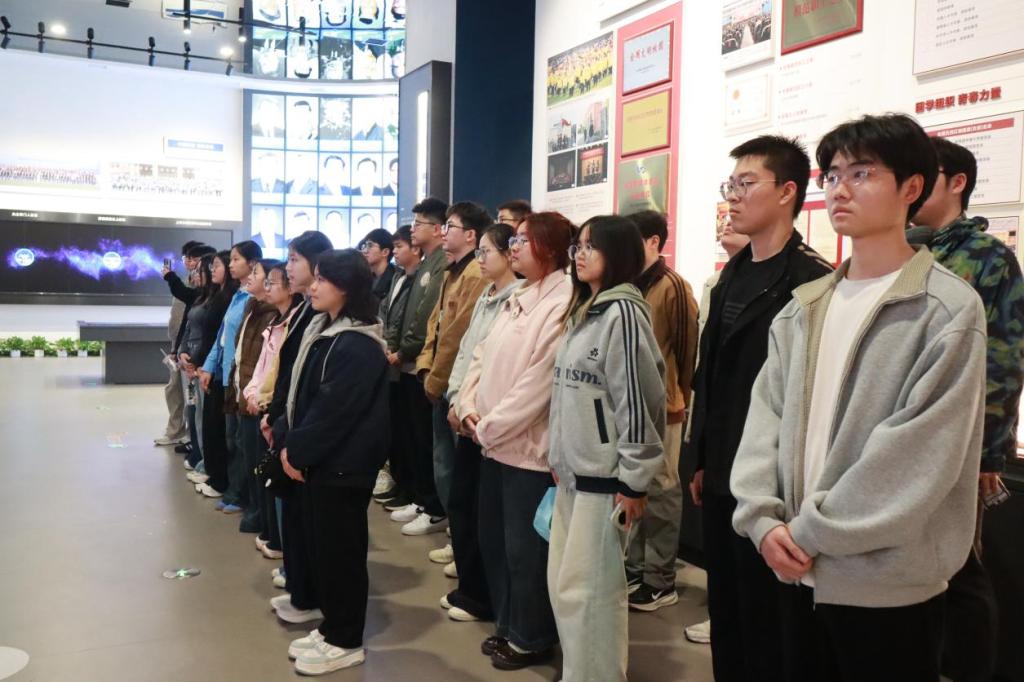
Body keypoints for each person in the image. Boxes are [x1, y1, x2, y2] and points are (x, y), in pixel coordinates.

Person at [732, 113, 988, 682]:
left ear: (911, 187)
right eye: (832, 175)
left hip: (887, 585)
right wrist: (762, 520)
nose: (839, 189)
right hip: (794, 570)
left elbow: (917, 454)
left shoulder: (945, 309)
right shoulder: (804, 306)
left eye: (862, 173)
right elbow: (764, 420)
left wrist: (806, 533)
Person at [686, 135, 832, 682]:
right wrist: (701, 457)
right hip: (722, 471)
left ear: (787, 191)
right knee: (726, 611)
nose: (733, 196)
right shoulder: (731, 274)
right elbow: (710, 376)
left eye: (746, 184)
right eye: (731, 184)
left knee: (772, 621)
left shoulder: (811, 281)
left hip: (775, 486)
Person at [910, 135, 1024, 682]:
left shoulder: (988, 259)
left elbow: (1003, 361)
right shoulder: (905, 250)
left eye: (923, 175)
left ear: (957, 183)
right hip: (903, 438)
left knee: (959, 568)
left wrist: (988, 451)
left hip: (959, 443)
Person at [547, 215, 666, 682]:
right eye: (577, 246)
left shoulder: (623, 314)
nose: (579, 255)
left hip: (605, 481)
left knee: (592, 596)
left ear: (617, 253)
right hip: (573, 476)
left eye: (590, 247)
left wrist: (634, 481)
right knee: (567, 590)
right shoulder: (586, 310)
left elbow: (638, 401)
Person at [456, 212, 574, 670]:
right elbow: (481, 355)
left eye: (525, 240)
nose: (515, 247)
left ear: (551, 248)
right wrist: (467, 403)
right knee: (495, 542)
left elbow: (537, 384)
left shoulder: (561, 301)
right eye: (515, 240)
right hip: (491, 442)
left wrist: (488, 425)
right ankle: (508, 625)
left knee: (525, 551)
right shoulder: (519, 295)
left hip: (526, 450)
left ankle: (531, 636)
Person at [274, 250, 390, 676]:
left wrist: (296, 451)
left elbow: (333, 413)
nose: (314, 286)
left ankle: (346, 639)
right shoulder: (326, 330)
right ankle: (332, 627)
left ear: (347, 287)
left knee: (342, 554)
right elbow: (307, 399)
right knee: (326, 550)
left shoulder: (357, 344)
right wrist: (289, 442)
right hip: (323, 464)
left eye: (323, 279)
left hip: (344, 467)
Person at [440, 222, 522, 622]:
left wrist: (472, 409)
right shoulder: (486, 296)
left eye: (487, 251)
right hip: (466, 411)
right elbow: (466, 353)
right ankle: (469, 586)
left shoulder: (516, 299)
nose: (481, 259)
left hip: (487, 422)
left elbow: (500, 367)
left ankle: (480, 595)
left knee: (480, 512)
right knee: (461, 505)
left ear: (509, 255)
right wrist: (456, 398)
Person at [624, 211, 698, 611]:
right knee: (636, 487)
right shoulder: (629, 284)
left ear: (654, 241)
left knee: (663, 490)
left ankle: (659, 579)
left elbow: (687, 350)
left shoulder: (673, 287)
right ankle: (635, 568)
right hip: (632, 407)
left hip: (665, 406)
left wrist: (677, 397)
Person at [262, 230, 334, 623]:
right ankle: (299, 583)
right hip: (288, 420)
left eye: (294, 260)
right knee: (294, 514)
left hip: (304, 430)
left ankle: (308, 592)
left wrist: (286, 424)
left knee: (309, 521)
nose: (288, 268)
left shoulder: (326, 319)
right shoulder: (306, 309)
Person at [683, 221, 748, 647]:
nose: (728, 219)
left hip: (749, 428)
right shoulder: (716, 282)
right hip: (716, 423)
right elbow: (703, 357)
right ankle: (722, 614)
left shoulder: (802, 277)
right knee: (719, 530)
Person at [413, 201, 491, 539]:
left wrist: (437, 377)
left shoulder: (475, 274)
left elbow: (458, 335)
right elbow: (436, 323)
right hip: (439, 378)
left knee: (456, 469)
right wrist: (425, 366)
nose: (444, 233)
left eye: (451, 227)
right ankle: (455, 533)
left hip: (456, 383)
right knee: (442, 463)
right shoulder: (452, 270)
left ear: (471, 235)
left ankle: (460, 537)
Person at [387, 198, 449, 534]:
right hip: (410, 362)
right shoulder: (426, 264)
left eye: (419, 223)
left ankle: (434, 507)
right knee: (414, 439)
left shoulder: (440, 264)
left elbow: (427, 315)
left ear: (437, 229)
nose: (413, 230)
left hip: (421, 363)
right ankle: (422, 498)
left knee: (426, 441)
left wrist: (405, 349)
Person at [245, 261, 304, 559]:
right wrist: (252, 392)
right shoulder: (275, 319)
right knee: (264, 471)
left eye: (272, 281)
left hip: (275, 409)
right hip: (262, 403)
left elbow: (281, 374)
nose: (266, 286)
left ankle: (280, 541)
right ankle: (270, 530)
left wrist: (266, 402)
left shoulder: (297, 321)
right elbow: (261, 366)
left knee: (279, 478)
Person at [198, 241, 263, 510]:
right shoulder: (238, 296)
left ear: (252, 263)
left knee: (240, 441)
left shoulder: (256, 300)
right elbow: (221, 337)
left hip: (242, 379)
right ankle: (233, 491)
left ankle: (238, 494)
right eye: (231, 259)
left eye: (236, 259)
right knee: (231, 438)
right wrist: (208, 366)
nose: (231, 264)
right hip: (227, 375)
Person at [231, 259, 280, 532]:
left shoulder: (275, 315)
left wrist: (257, 394)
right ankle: (254, 508)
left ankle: (263, 516)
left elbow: (270, 366)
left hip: (259, 399)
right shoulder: (252, 306)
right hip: (245, 391)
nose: (250, 277)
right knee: (246, 452)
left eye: (256, 272)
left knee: (258, 459)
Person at [375, 225, 421, 510]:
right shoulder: (398, 277)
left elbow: (412, 320)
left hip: (407, 364)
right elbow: (386, 315)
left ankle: (416, 494)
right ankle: (402, 485)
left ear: (415, 249)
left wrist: (399, 351)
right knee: (399, 433)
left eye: (400, 246)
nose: (395, 251)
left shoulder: (421, 279)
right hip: (390, 359)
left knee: (412, 435)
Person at [186, 251, 237, 497]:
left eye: (217, 265)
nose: (211, 270)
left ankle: (221, 480)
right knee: (206, 423)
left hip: (226, 374)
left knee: (224, 432)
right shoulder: (218, 295)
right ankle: (211, 470)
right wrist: (199, 362)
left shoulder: (232, 297)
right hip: (210, 367)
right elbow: (217, 338)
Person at [155, 240, 204, 448]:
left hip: (192, 347)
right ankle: (176, 430)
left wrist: (170, 277)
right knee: (174, 389)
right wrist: (176, 348)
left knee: (189, 393)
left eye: (195, 259)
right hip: (178, 343)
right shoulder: (185, 281)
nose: (190, 263)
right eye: (187, 258)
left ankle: (192, 437)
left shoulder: (200, 288)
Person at [358, 228, 396, 304]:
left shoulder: (395, 279)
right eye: (364, 246)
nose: (364, 251)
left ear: (385, 252)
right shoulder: (366, 277)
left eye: (370, 245)